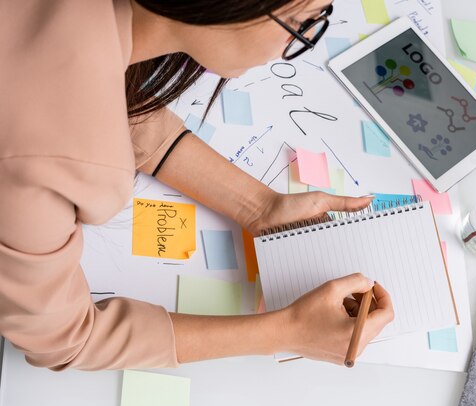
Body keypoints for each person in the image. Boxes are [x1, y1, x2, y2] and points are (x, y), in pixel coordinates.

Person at [0, 0, 394, 371]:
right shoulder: (52, 149)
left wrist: (258, 206)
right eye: (298, 24)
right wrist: (287, 331)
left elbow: (108, 96)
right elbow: (61, 338)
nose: (295, 43)